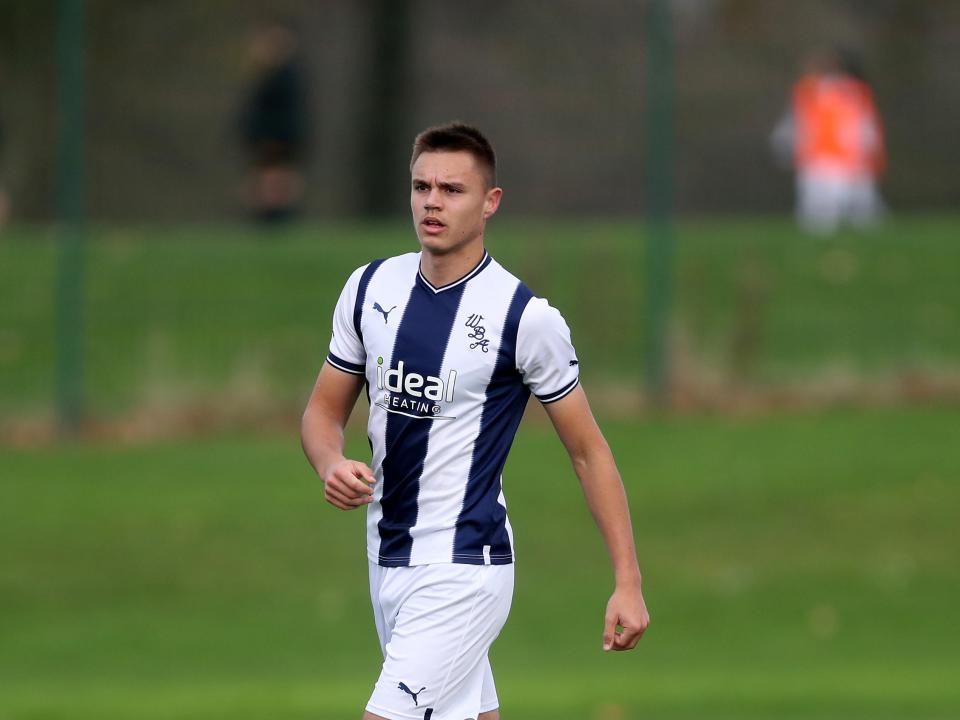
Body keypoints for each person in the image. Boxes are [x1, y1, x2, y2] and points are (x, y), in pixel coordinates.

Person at [301, 123, 650, 720]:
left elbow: (589, 452)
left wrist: (628, 580)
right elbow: (321, 412)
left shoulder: (524, 318)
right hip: (386, 557)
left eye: (452, 190)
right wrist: (331, 462)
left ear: (490, 203)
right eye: (421, 186)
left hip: (465, 566)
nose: (432, 201)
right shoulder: (369, 289)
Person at [771, 50, 887, 235]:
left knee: (858, 205)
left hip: (843, 158)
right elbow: (796, 123)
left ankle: (867, 241)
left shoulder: (849, 92)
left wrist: (868, 150)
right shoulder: (807, 92)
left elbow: (863, 125)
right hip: (819, 158)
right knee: (820, 207)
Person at [238, 20, 308, 224]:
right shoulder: (265, 76)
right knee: (267, 177)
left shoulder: (286, 77)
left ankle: (276, 216)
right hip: (268, 137)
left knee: (277, 177)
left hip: (278, 137)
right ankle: (269, 215)